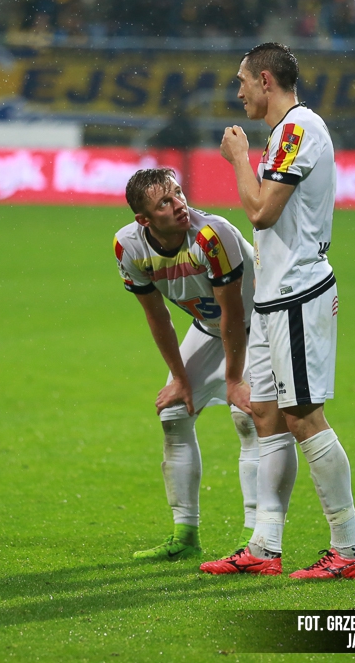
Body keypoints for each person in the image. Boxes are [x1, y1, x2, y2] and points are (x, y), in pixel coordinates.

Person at [200, 43, 355, 579]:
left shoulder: (298, 129)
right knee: (267, 415)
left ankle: (349, 549)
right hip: (273, 298)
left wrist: (238, 158)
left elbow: (261, 212)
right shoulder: (283, 134)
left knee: (303, 417)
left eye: (242, 81)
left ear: (266, 80)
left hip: (297, 293)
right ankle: (264, 546)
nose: (239, 92)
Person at [115, 168, 284, 561]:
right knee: (174, 414)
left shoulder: (211, 235)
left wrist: (233, 380)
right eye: (165, 202)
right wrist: (179, 378)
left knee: (248, 418)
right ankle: (185, 536)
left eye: (178, 193)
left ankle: (253, 539)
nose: (179, 205)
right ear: (144, 220)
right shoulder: (128, 247)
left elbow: (234, 312)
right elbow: (157, 315)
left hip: (262, 325)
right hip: (210, 329)